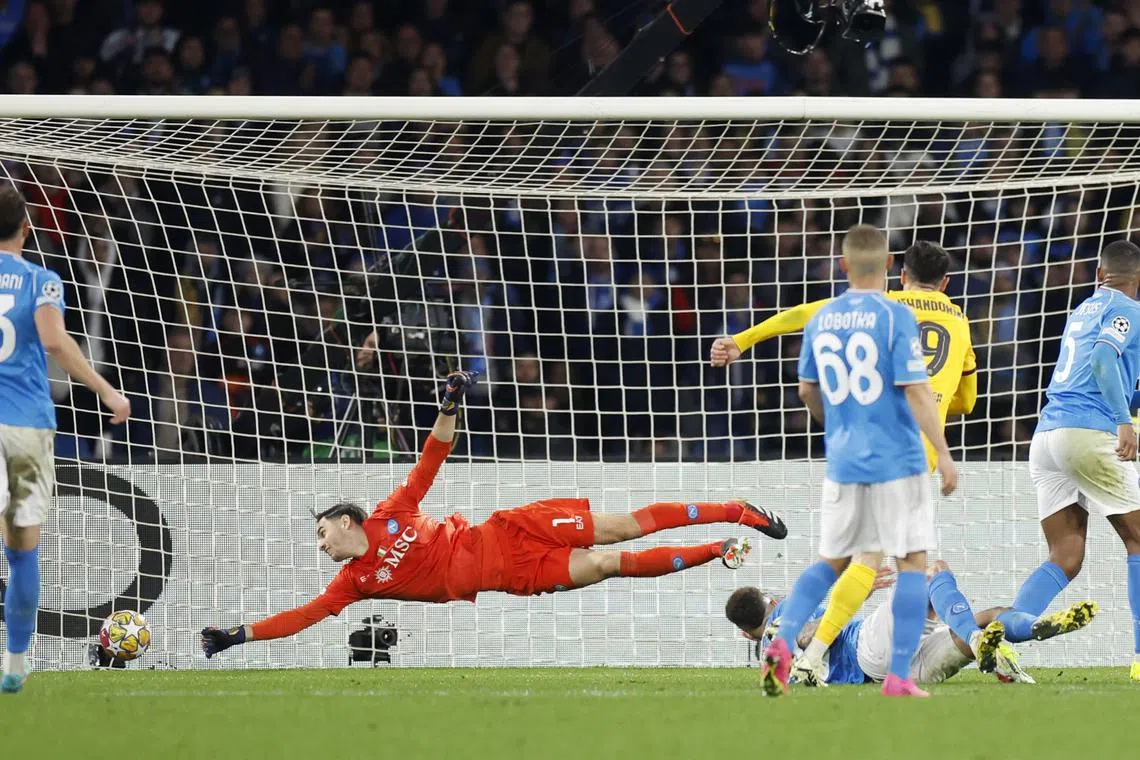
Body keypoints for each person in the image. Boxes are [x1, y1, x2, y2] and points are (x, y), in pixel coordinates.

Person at [200, 370, 787, 657]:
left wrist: (449, 405)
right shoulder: (355, 583)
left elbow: (431, 459)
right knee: (609, 564)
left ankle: (736, 510)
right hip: (510, 576)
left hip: (512, 528)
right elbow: (302, 617)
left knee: (625, 526)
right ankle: (716, 551)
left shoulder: (390, 514)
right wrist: (237, 635)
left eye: (322, 531)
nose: (321, 543)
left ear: (347, 520)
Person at [710, 240, 976, 687]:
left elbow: (801, 317)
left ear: (902, 274)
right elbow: (965, 402)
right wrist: (945, 447)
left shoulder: (877, 306)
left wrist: (742, 340)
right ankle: (817, 658)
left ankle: (790, 642)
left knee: (841, 557)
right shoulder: (960, 322)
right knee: (892, 561)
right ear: (946, 282)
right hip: (908, 456)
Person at [0, 185, 131, 694]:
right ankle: (14, 662)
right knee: (21, 552)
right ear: (27, 228)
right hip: (25, 428)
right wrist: (106, 391)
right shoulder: (42, 280)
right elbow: (53, 340)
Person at [994, 240, 1140, 681]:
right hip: (1087, 431)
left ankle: (1004, 634)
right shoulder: (1127, 311)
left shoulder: (1081, 310)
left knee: (1066, 554)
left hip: (1047, 436)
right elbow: (1102, 360)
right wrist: (1124, 422)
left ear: (1100, 274)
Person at [725, 560, 1093, 687]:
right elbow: (806, 634)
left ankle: (1018, 629)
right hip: (867, 650)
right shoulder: (788, 614)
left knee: (987, 617)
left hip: (893, 673)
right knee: (933, 576)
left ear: (745, 632)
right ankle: (988, 638)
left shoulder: (766, 661)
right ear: (770, 600)